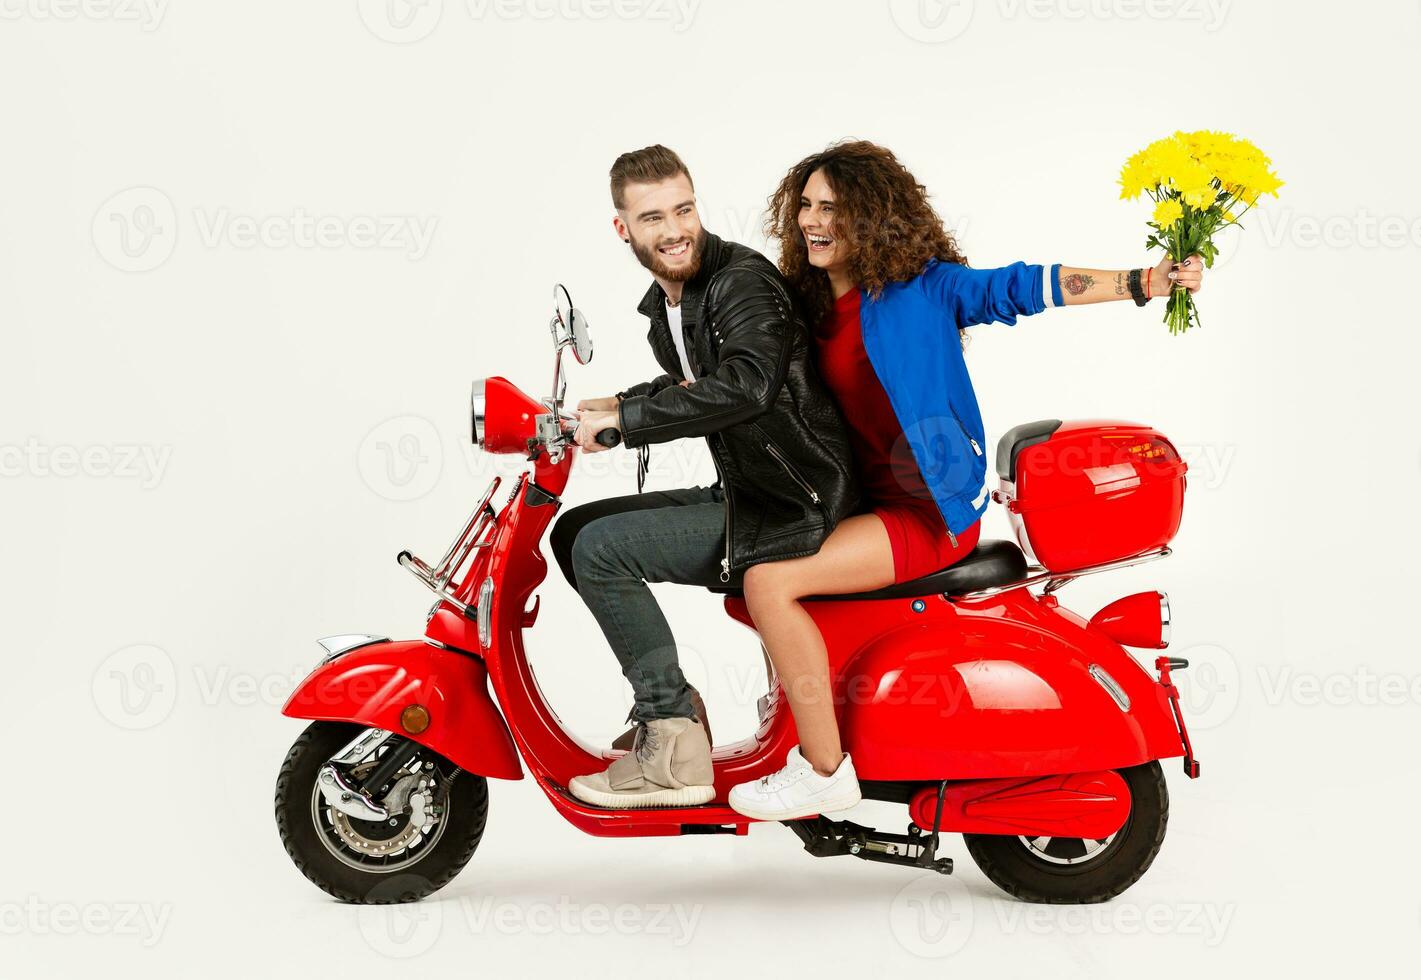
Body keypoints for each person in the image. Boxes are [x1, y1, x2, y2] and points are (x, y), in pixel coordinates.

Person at [725, 140, 1205, 820]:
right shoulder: (802, 308)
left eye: (831, 206)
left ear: (872, 217)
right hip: (851, 504)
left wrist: (1140, 283)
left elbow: (1023, 285)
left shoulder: (925, 287)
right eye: (804, 204)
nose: (811, 219)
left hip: (922, 513)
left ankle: (822, 770)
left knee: (768, 583)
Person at [554, 145, 859, 809]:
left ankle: (673, 748)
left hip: (795, 507)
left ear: (698, 206)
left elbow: (746, 386)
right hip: (750, 493)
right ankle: (677, 710)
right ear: (623, 229)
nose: (674, 230)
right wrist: (614, 406)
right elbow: (698, 382)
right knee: (574, 527)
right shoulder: (672, 302)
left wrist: (629, 420)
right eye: (653, 216)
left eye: (683, 209)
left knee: (599, 550)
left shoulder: (739, 283)